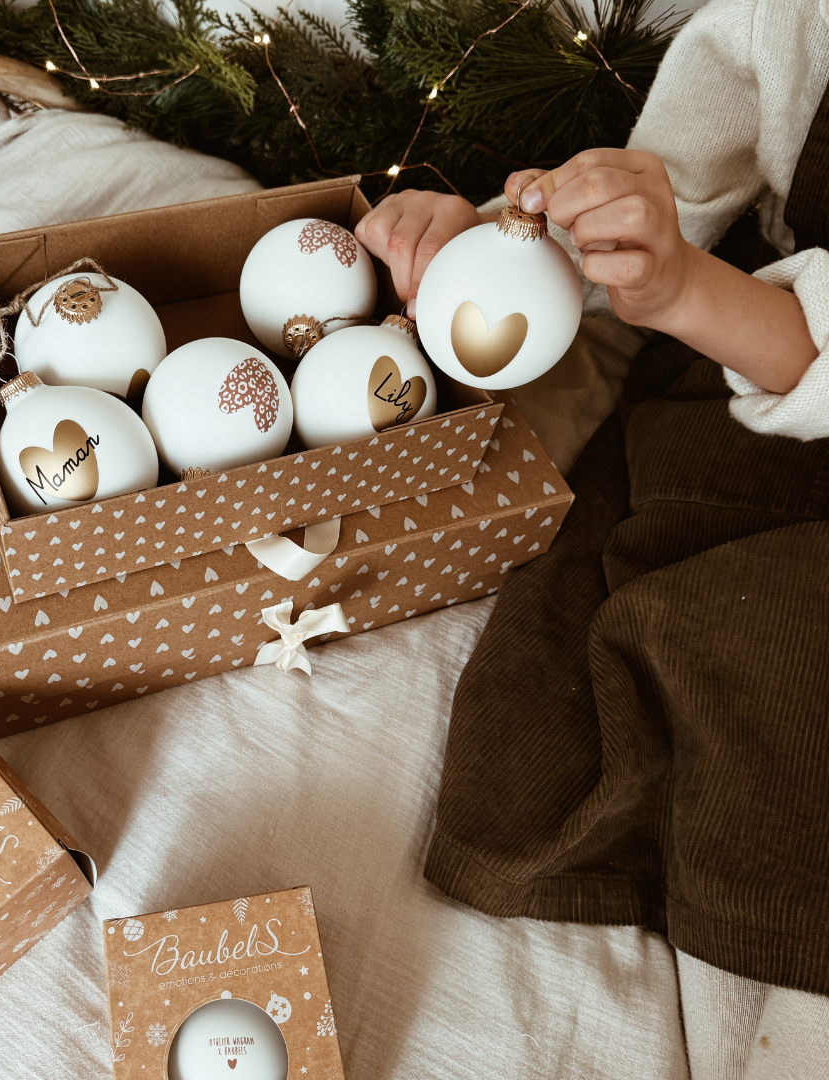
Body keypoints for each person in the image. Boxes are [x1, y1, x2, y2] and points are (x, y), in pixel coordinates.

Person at [353, 0, 829, 1002]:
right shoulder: (787, 22)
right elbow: (671, 190)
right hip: (754, 366)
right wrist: (500, 248)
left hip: (772, 352)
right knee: (572, 690)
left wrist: (693, 296)